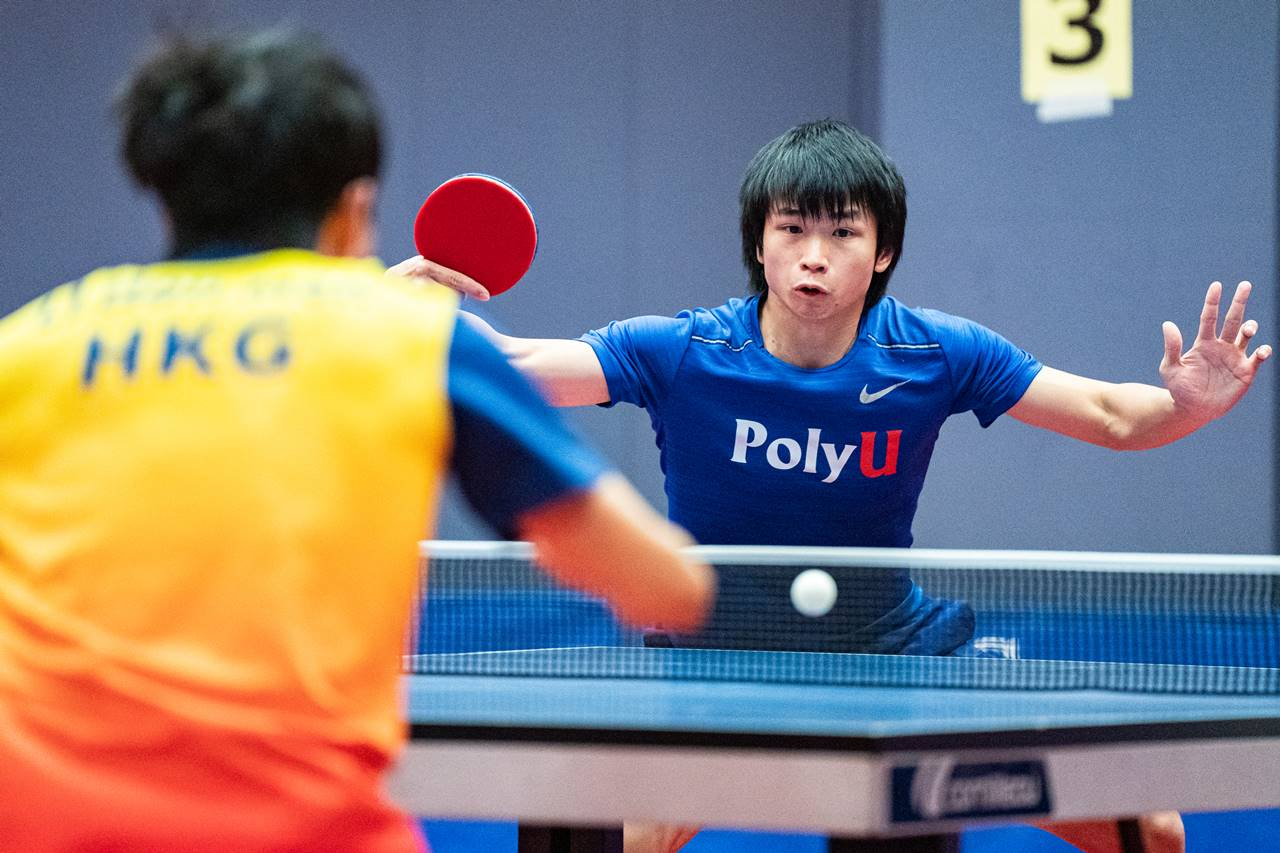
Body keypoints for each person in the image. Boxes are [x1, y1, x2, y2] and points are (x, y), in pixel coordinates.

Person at [395, 118, 1270, 852]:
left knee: (1153, 830)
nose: (813, 256)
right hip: (713, 665)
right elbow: (511, 366)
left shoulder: (937, 352)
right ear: (760, 243)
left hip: (895, 652)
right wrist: (394, 318)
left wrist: (1186, 407)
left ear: (882, 251)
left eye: (843, 233)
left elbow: (1114, 415)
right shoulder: (683, 349)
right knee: (618, 838)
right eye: (791, 230)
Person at [0, 29, 713, 853]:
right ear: (355, 210)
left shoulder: (30, 343)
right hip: (301, 832)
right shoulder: (414, 340)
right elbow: (668, 590)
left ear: (165, 201)